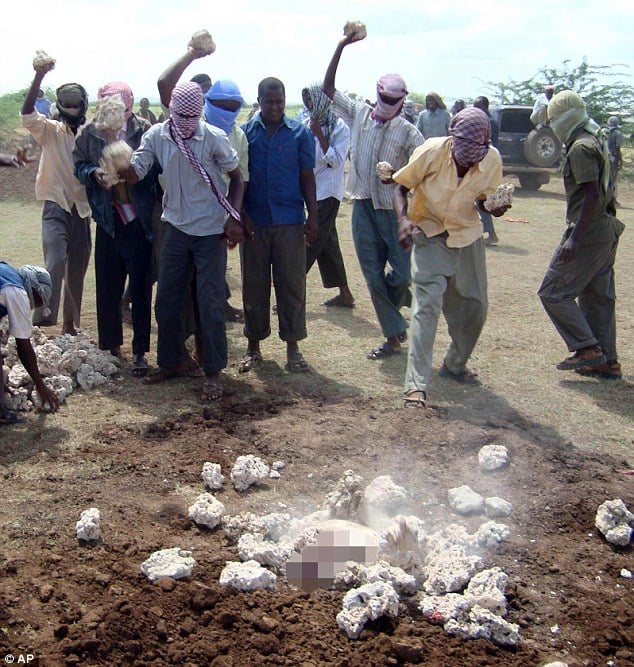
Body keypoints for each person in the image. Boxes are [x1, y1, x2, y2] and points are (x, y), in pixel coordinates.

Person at [120, 71, 244, 401]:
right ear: (172, 110)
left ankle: (213, 371)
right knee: (167, 300)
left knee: (210, 302)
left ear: (200, 112)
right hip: (175, 227)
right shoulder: (158, 136)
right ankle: (171, 361)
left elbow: (238, 178)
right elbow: (135, 173)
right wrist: (118, 162)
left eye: (193, 116)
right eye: (181, 116)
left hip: (211, 232)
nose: (187, 122)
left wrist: (234, 217)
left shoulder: (214, 137)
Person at [393, 107, 510, 407]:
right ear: (453, 139)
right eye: (462, 153)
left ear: (484, 147)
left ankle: (455, 365)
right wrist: (403, 219)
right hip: (430, 232)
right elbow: (401, 186)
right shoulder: (431, 151)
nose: (467, 160)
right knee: (426, 309)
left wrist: (493, 209)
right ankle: (415, 387)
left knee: (475, 307)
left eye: (474, 155)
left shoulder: (491, 159)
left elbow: (484, 201)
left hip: (467, 236)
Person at [321, 30, 423, 360]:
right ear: (377, 93)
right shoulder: (360, 114)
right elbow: (328, 90)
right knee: (371, 274)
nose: (387, 105)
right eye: (384, 98)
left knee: (404, 274)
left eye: (394, 101)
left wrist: (398, 179)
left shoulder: (409, 133)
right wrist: (340, 47)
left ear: (402, 101)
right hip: (363, 205)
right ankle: (393, 337)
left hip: (394, 212)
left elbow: (421, 176)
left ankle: (395, 311)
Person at [538, 91, 625, 380]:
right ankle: (607, 360)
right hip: (606, 228)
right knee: (598, 296)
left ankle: (587, 349)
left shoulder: (579, 147)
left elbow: (590, 196)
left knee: (552, 292)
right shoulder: (596, 136)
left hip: (588, 230)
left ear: (563, 118)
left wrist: (574, 238)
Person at [73, 81, 155, 377]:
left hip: (139, 222)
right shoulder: (89, 134)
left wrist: (133, 172)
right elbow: (79, 165)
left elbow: (155, 167)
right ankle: (110, 347)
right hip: (108, 222)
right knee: (108, 287)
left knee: (141, 289)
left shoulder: (143, 129)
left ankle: (140, 352)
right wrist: (94, 173)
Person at [238, 77, 317, 374]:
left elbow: (307, 176)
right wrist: (241, 213)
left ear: (285, 100)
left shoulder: (299, 134)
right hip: (254, 223)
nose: (274, 106)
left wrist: (314, 216)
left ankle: (293, 348)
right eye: (269, 101)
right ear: (259, 101)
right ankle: (253, 347)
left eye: (279, 101)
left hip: (290, 222)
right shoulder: (245, 134)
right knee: (254, 286)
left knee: (292, 285)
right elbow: (239, 179)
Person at [21, 60, 92, 336]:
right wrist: (38, 75)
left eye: (77, 106)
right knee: (55, 262)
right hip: (55, 205)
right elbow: (27, 113)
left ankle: (70, 325)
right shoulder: (49, 131)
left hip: (81, 209)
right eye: (69, 106)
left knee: (77, 268)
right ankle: (42, 319)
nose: (73, 111)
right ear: (61, 108)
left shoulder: (89, 135)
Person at [300, 82, 355, 309]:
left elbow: (335, 161)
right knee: (328, 244)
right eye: (306, 101)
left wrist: (319, 134)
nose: (309, 104)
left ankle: (293, 290)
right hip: (312, 191)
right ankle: (345, 294)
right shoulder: (305, 124)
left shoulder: (339, 128)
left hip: (329, 192)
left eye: (311, 100)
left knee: (310, 242)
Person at [0, 262, 60, 424]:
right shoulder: (18, 292)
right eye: (36, 301)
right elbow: (23, 346)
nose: (33, 306)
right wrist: (41, 385)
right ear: (32, 287)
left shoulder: (7, 271)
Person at [473, 96, 500, 245]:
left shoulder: (488, 123)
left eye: (477, 106)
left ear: (484, 106)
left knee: (482, 199)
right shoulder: (490, 122)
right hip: (485, 163)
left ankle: (491, 234)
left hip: (486, 165)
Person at [606, 116, 623, 206]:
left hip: (604, 157)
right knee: (613, 179)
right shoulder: (618, 133)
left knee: (605, 178)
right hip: (613, 159)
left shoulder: (604, 131)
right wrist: (620, 160)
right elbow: (617, 148)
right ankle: (612, 200)